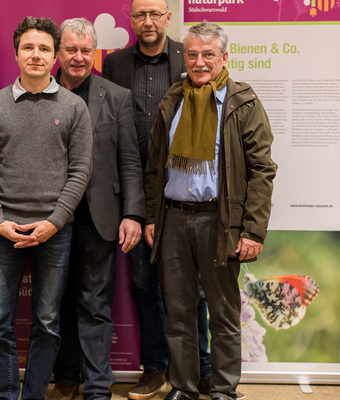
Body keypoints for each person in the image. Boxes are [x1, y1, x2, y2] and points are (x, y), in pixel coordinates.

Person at [143, 21, 277, 400]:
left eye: (207, 55)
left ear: (224, 57)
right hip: (173, 220)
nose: (199, 62)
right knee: (179, 311)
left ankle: (222, 389)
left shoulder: (242, 102)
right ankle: (184, 388)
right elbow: (154, 165)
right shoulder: (173, 99)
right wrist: (152, 216)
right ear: (184, 57)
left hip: (219, 222)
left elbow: (262, 170)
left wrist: (252, 230)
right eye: (192, 54)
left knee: (221, 312)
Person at [103, 1, 216, 398]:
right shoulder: (114, 63)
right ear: (130, 19)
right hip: (135, 187)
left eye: (155, 13)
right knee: (142, 281)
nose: (147, 21)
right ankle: (155, 366)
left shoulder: (189, 57)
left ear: (169, 18)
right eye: (139, 15)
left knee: (194, 286)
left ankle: (201, 367)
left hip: (185, 187)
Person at [0, 16, 93, 400]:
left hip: (55, 233)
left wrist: (54, 223)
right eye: (29, 47)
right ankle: (5, 394)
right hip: (3, 231)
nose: (36, 55)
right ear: (15, 53)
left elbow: (80, 172)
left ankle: (33, 396)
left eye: (45, 48)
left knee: (47, 322)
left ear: (55, 54)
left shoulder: (74, 107)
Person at [47, 18, 144, 400]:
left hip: (99, 217)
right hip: (50, 216)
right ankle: (65, 377)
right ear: (59, 51)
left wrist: (134, 214)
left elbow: (130, 161)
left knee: (94, 304)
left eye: (86, 50)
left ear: (95, 52)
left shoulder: (115, 96)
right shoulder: (41, 91)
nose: (78, 57)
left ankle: (98, 388)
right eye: (71, 49)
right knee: (53, 304)